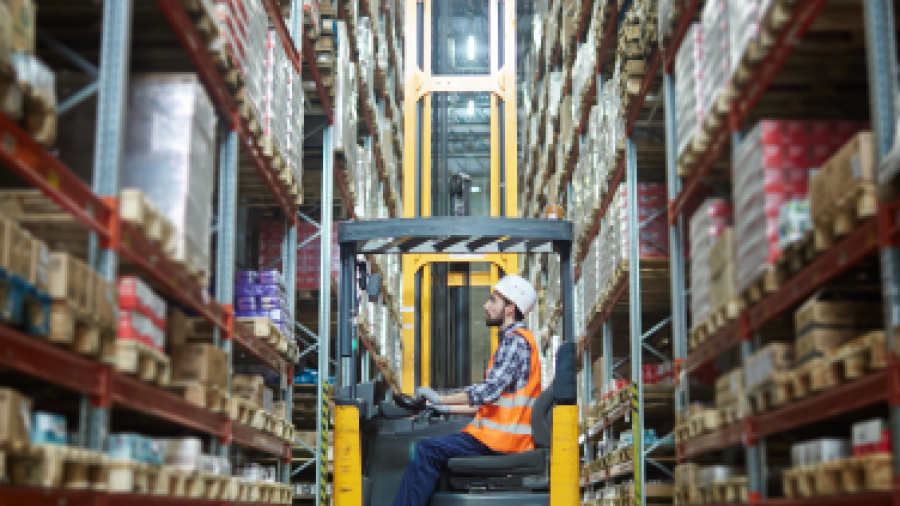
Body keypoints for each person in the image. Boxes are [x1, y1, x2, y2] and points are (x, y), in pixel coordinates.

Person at [391, 275, 542, 506]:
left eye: (493, 301)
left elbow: (487, 391)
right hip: (498, 437)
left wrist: (440, 397)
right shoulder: (512, 342)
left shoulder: (515, 342)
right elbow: (489, 403)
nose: (486, 305)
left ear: (510, 308)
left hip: (501, 441)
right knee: (434, 449)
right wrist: (440, 406)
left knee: (426, 451)